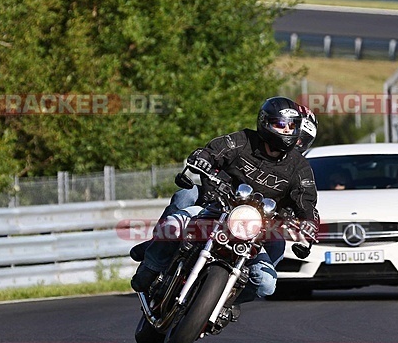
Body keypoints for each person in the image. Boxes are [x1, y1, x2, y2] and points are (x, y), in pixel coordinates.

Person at [130, 97, 320, 302]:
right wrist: (202, 158)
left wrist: (307, 225)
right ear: (265, 122)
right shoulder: (243, 140)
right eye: (280, 125)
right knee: (176, 222)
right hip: (217, 208)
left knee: (266, 283)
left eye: (291, 126)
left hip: (259, 229)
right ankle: (152, 266)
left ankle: (226, 302)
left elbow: (306, 202)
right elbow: (213, 151)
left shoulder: (300, 167)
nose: (285, 131)